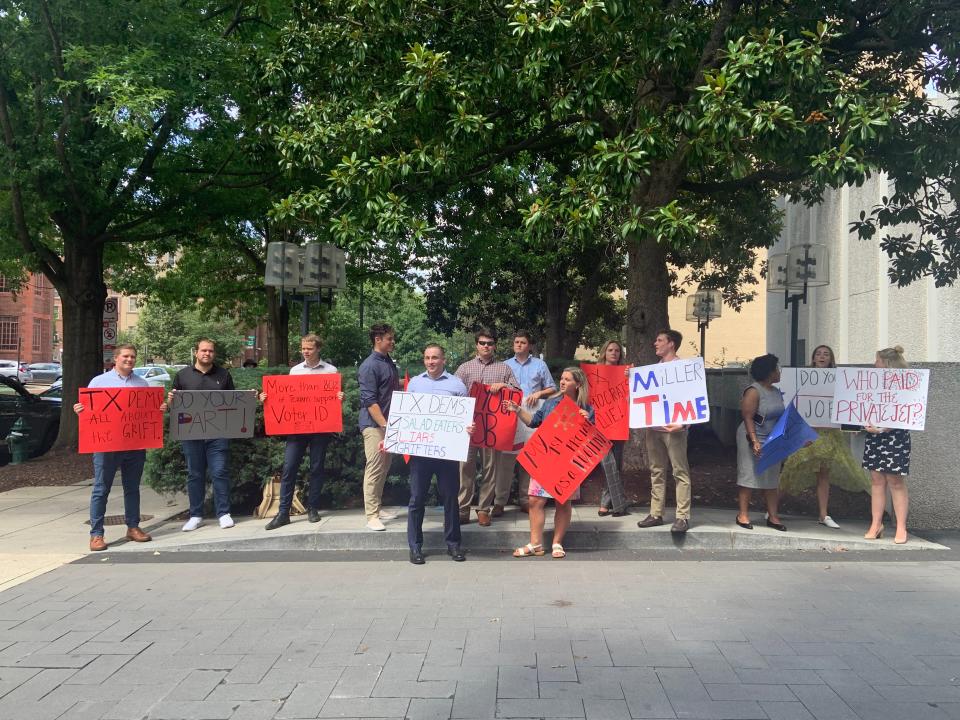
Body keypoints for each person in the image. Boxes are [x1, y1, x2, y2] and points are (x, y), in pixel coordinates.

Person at [74, 344, 166, 551]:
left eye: (132, 357)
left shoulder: (142, 384)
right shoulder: (98, 382)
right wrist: (80, 409)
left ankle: (133, 527)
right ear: (115, 359)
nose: (130, 359)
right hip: (106, 445)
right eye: (125, 356)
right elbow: (90, 412)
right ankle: (96, 534)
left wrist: (158, 408)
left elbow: (148, 411)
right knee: (101, 488)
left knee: (132, 488)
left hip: (134, 445)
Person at [259, 334, 345, 530]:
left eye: (310, 348)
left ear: (318, 349)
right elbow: (286, 398)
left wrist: (340, 397)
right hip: (297, 427)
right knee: (289, 468)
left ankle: (313, 508)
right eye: (303, 349)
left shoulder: (330, 371)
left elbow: (333, 399)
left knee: (316, 467)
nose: (306, 352)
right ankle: (283, 513)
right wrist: (267, 398)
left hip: (320, 427)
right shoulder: (295, 371)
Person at [505, 367, 593, 558]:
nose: (562, 382)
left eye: (567, 379)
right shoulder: (550, 403)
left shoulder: (586, 408)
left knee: (563, 502)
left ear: (577, 384)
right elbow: (533, 422)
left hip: (569, 462)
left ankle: (557, 543)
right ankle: (535, 544)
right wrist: (518, 410)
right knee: (535, 500)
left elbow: (593, 439)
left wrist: (588, 421)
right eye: (561, 378)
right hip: (545, 459)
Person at [779, 345, 870, 528]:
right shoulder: (801, 379)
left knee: (823, 473)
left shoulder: (839, 380)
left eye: (826, 354)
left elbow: (848, 402)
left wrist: (851, 423)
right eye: (818, 354)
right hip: (805, 432)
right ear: (813, 358)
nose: (822, 356)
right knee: (791, 468)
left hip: (828, 434)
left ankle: (823, 514)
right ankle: (772, 509)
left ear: (831, 359)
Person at [405, 344, 475, 564]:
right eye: (427, 357)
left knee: (450, 499)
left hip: (447, 453)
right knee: (416, 499)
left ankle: (454, 545)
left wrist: (468, 428)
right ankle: (415, 547)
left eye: (435, 357)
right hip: (421, 452)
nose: (431, 361)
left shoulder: (456, 385)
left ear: (444, 359)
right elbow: (407, 415)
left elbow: (466, 417)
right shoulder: (415, 383)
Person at [170, 338, 239, 531]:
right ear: (196, 352)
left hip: (218, 433)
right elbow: (175, 408)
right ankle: (195, 515)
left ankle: (224, 513)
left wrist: (248, 399)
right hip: (191, 434)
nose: (206, 354)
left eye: (210, 351)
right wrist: (170, 402)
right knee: (195, 474)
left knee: (220, 472)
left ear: (213, 354)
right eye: (203, 350)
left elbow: (233, 402)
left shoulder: (224, 375)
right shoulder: (182, 376)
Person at [454, 328, 519, 527]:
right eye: (482, 343)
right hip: (470, 426)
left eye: (490, 343)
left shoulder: (504, 369)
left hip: (492, 427)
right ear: (476, 345)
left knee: (490, 469)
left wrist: (504, 385)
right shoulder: (464, 368)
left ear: (495, 346)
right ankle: (462, 509)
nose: (486, 346)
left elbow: (517, 391)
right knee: (465, 468)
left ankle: (484, 509)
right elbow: (454, 392)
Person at [637, 329, 693, 533]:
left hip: (674, 428)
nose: (655, 343)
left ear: (671, 344)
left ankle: (682, 517)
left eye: (660, 340)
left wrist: (685, 424)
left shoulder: (684, 368)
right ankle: (656, 513)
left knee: (680, 471)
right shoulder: (653, 370)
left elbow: (693, 397)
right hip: (654, 428)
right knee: (657, 470)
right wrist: (631, 377)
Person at [863, 346, 912, 544]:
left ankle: (901, 526)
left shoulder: (906, 385)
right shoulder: (871, 384)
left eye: (877, 361)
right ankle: (876, 523)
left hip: (895, 437)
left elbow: (908, 411)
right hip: (874, 437)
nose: (875, 364)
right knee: (876, 479)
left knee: (895, 480)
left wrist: (883, 428)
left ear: (887, 363)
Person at [504, 330, 556, 514]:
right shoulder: (505, 365)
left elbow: (553, 388)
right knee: (506, 458)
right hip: (510, 414)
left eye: (523, 342)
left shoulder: (539, 365)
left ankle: (526, 499)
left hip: (532, 414)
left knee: (529, 457)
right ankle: (500, 502)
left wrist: (539, 393)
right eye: (516, 342)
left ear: (529, 346)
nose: (519, 345)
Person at [735, 354, 787, 531]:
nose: (779, 372)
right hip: (752, 436)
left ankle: (773, 516)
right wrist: (754, 440)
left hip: (771, 438)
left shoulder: (776, 392)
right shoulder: (753, 391)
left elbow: (782, 417)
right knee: (749, 474)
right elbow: (748, 417)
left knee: (771, 478)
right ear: (769, 372)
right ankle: (743, 515)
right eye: (777, 368)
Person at [358, 323, 401, 531]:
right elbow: (369, 400)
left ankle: (378, 506)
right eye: (389, 339)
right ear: (378, 340)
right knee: (375, 468)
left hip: (386, 424)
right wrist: (385, 425)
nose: (392, 342)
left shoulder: (388, 362)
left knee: (384, 467)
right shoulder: (368, 365)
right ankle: (371, 515)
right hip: (374, 425)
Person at [595, 339, 630, 518]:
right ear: (604, 352)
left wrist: (629, 377)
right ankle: (616, 503)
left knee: (616, 464)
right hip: (600, 425)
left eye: (617, 350)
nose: (614, 353)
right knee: (607, 464)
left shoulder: (625, 372)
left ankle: (607, 503)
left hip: (618, 423)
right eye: (610, 350)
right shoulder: (595, 373)